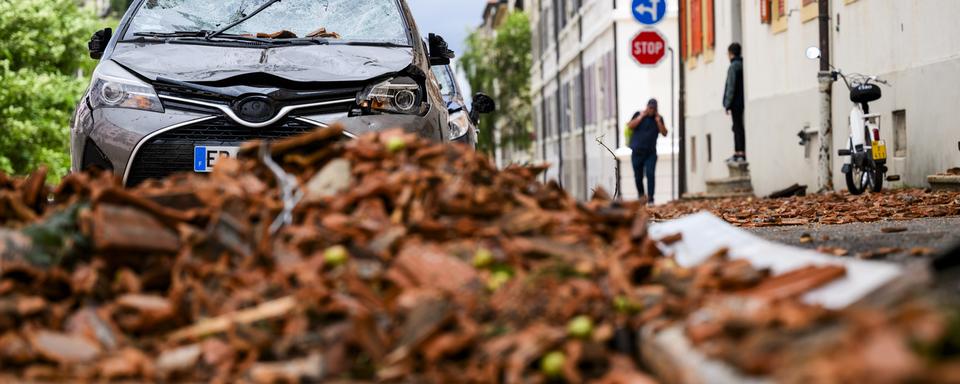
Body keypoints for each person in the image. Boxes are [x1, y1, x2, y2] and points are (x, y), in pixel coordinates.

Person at [626, 99, 668, 204]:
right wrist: (641, 117)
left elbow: (664, 133)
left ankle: (650, 198)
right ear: (647, 107)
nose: (652, 110)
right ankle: (641, 196)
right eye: (650, 108)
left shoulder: (658, 119)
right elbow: (630, 126)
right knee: (638, 176)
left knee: (650, 174)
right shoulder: (638, 114)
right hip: (637, 152)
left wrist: (658, 121)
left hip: (650, 153)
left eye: (654, 108)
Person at [724, 42, 746, 164]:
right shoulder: (742, 64)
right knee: (738, 127)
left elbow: (730, 86)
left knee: (737, 127)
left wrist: (727, 103)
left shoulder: (733, 67)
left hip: (735, 103)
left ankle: (739, 152)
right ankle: (739, 152)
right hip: (741, 101)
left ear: (731, 53)